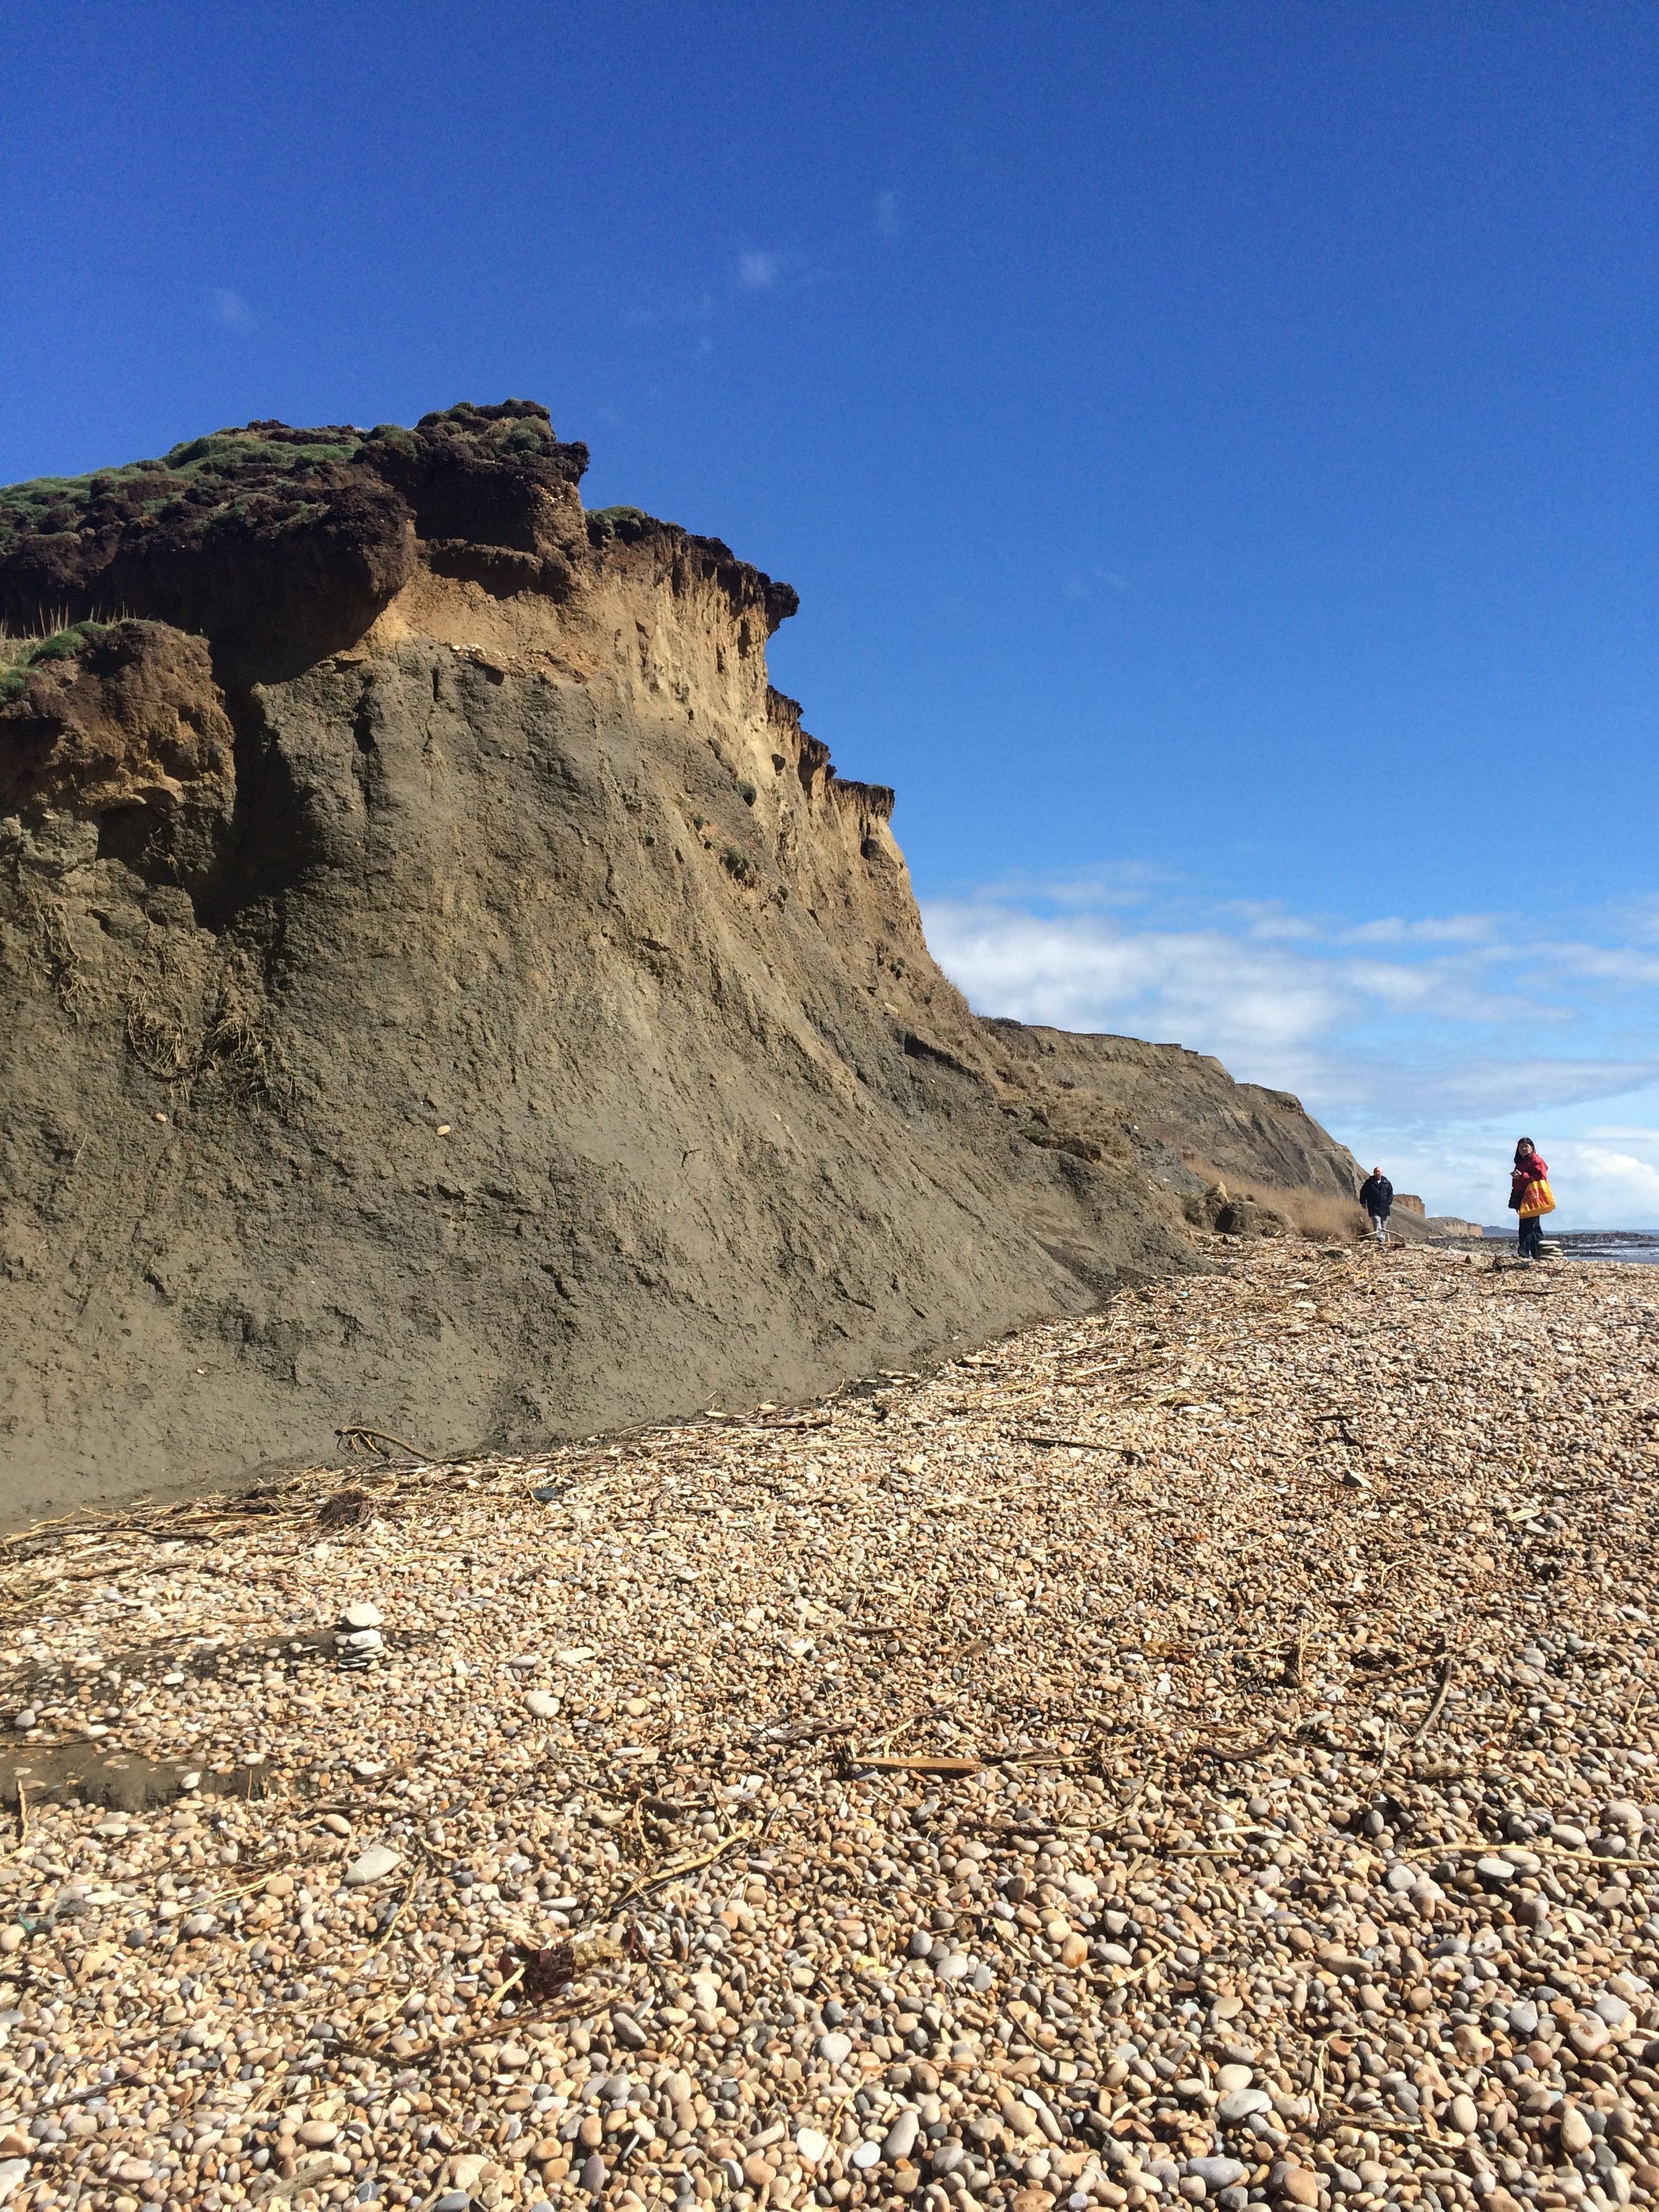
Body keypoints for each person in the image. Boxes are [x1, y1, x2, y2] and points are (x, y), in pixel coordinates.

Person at [1509, 1138, 1555, 1261]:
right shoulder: (1521, 1162)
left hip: (1533, 1196)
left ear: (1532, 1147)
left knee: (1527, 1225)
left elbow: (1542, 1176)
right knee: (1533, 1226)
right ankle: (1539, 1253)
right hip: (1522, 1195)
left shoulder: (1536, 1160)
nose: (1523, 1149)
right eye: (1521, 1147)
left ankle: (1524, 1253)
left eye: (1526, 1147)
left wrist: (1522, 1176)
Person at [1358, 1166, 1393, 1246]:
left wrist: (1388, 1202)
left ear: (1382, 1173)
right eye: (1376, 1172)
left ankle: (1382, 1241)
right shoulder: (1369, 1182)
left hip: (1384, 1207)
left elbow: (1390, 1194)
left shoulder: (1387, 1183)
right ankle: (1380, 1240)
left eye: (1379, 1172)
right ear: (1374, 1173)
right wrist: (1363, 1202)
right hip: (1373, 1207)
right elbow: (1363, 1192)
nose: (1378, 1173)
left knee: (1383, 1224)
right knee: (1377, 1222)